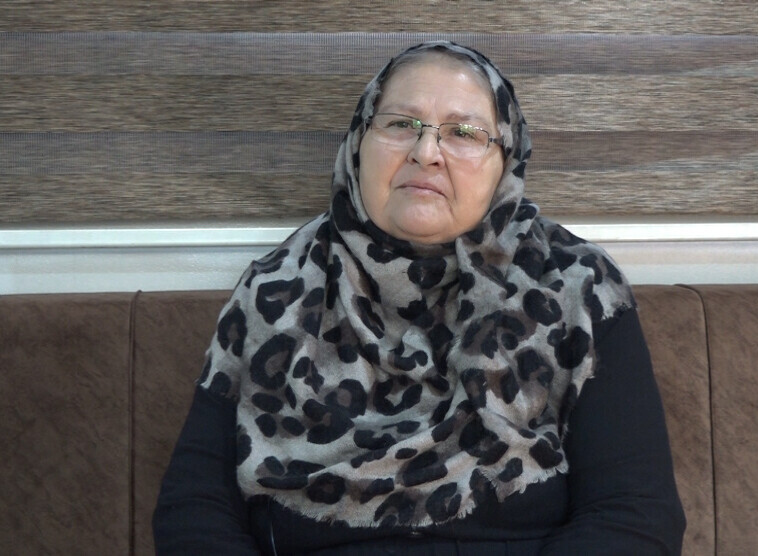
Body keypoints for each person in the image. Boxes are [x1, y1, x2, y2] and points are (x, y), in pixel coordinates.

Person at [153, 41, 686, 555]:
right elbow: (194, 509)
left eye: (465, 133)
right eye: (401, 124)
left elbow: (635, 513)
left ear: (507, 162)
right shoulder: (275, 290)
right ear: (359, 142)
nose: (426, 152)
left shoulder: (576, 288)